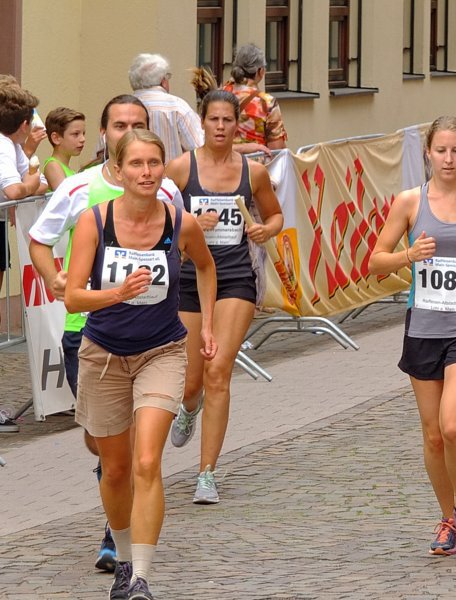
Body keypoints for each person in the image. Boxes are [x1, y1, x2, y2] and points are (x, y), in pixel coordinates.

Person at [29, 94, 183, 573]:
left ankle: (123, 550)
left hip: (156, 341)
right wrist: (55, 277)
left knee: (143, 452)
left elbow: (186, 252)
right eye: (120, 125)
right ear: (106, 136)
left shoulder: (170, 196)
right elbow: (39, 239)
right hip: (89, 333)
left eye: (138, 124)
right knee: (105, 449)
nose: (128, 131)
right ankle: (117, 506)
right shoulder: (78, 189)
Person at [64, 129, 216, 600]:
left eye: (154, 163)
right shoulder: (95, 221)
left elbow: (206, 268)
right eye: (136, 164)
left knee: (148, 461)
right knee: (115, 470)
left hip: (162, 351)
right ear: (118, 168)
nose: (146, 173)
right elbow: (73, 294)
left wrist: (206, 325)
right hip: (103, 353)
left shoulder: (180, 222)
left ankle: (144, 578)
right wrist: (117, 293)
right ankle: (126, 559)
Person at [368, 115, 456, 555]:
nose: (448, 159)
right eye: (440, 151)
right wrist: (408, 254)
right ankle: (447, 518)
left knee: (452, 426)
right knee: (431, 434)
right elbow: (375, 261)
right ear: (427, 153)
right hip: (423, 324)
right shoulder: (410, 202)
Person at [165, 89, 283, 504]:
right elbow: (157, 224)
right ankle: (189, 407)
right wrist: (190, 223)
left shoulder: (253, 173)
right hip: (190, 281)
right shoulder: (180, 169)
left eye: (227, 121)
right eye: (213, 120)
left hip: (235, 279)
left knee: (219, 371)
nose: (219, 127)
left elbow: (275, 214)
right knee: (191, 380)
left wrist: (267, 230)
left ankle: (207, 473)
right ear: (203, 122)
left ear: (238, 125)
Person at [0, 84, 45, 431]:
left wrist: (31, 180)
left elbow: (33, 179)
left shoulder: (12, 144)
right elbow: (15, 189)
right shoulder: (2, 144)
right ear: (24, 123)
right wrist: (30, 184)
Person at [129, 53, 204, 163]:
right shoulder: (177, 106)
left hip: (129, 177)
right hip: (171, 177)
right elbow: (200, 148)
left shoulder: (122, 108)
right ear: (163, 81)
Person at [222, 43, 288, 154]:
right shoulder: (266, 102)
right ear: (260, 71)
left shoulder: (219, 95)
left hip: (222, 164)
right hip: (254, 166)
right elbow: (276, 149)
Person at [43, 107, 86, 191]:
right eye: (76, 134)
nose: (83, 139)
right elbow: (66, 198)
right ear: (56, 138)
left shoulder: (70, 170)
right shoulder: (53, 166)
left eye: (83, 133)